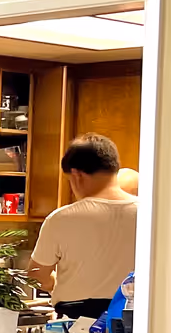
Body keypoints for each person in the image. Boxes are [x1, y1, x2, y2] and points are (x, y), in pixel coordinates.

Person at [29, 134, 138, 320]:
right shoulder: (150, 214)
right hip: (136, 320)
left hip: (78, 322)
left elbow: (36, 275)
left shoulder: (61, 219)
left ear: (77, 175)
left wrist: (54, 282)